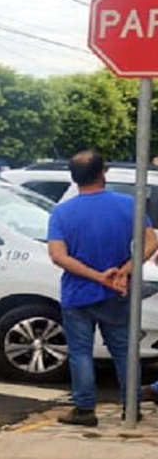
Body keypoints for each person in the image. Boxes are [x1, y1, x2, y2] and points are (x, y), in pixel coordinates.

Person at [48, 149, 157, 426]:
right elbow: (151, 242)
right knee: (123, 351)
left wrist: (97, 276)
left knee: (81, 352)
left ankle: (85, 409)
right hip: (118, 292)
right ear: (103, 173)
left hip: (77, 293)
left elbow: (58, 256)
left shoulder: (62, 213)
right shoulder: (129, 205)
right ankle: (129, 407)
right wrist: (123, 271)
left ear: (74, 178)